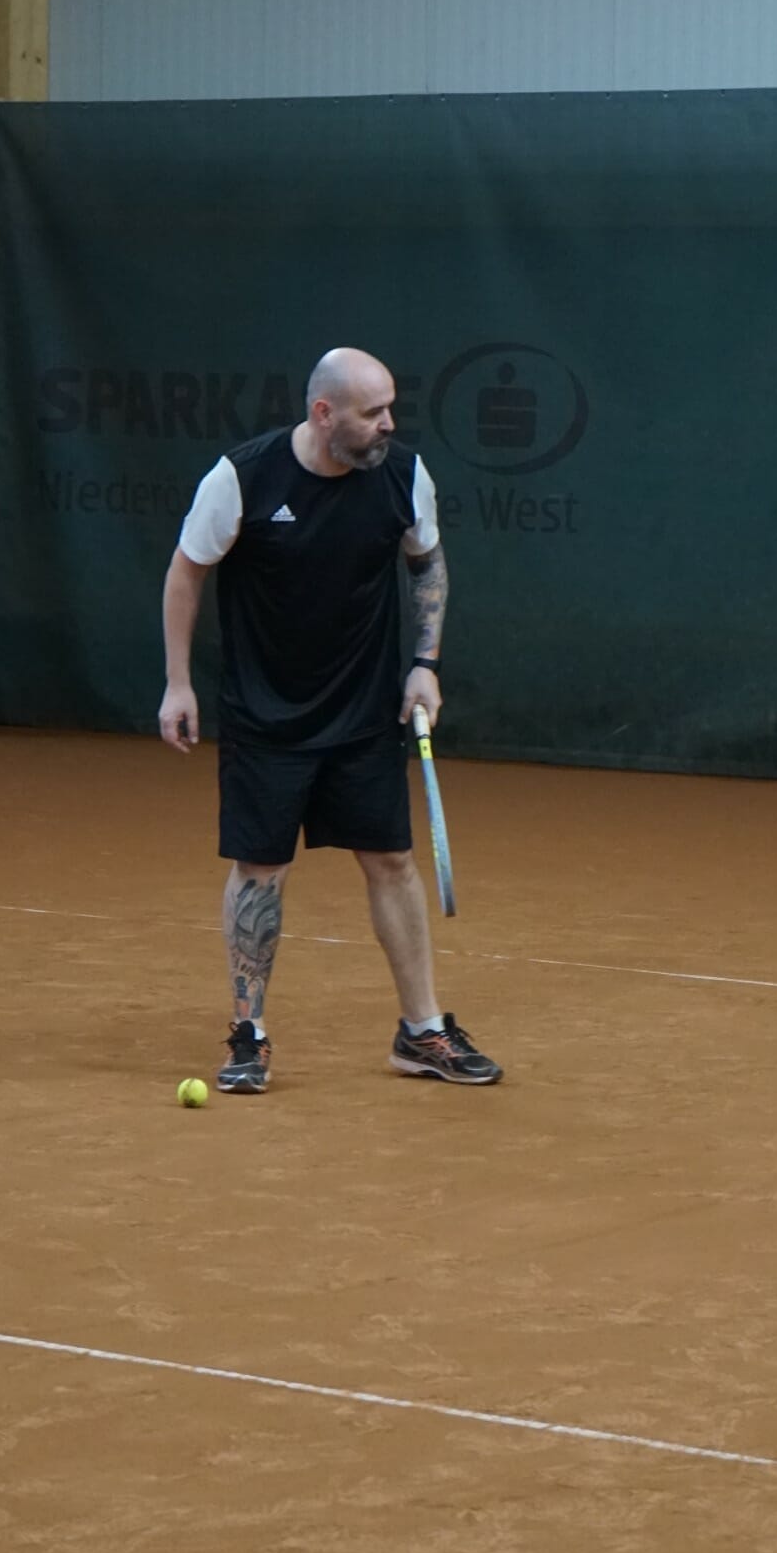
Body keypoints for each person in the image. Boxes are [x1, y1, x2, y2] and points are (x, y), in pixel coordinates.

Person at [157, 346, 501, 1094]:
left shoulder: (403, 475)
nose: (389, 424)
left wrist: (426, 663)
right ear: (323, 414)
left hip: (364, 712)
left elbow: (427, 561)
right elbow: (186, 571)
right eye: (373, 412)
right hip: (265, 716)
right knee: (262, 872)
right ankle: (248, 1035)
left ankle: (423, 1031)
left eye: (390, 408)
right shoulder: (242, 478)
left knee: (391, 861)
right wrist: (178, 683)